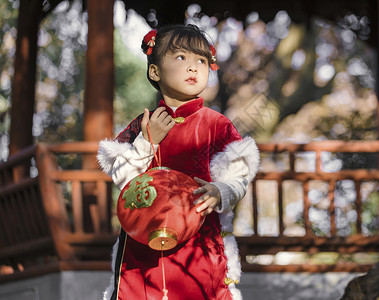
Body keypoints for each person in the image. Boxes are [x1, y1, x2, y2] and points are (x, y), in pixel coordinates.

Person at [97, 24, 259, 300]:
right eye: (181, 58)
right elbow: (124, 180)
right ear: (155, 71)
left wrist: (222, 191)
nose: (194, 67)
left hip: (199, 245)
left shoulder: (216, 124)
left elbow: (239, 176)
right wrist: (149, 141)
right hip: (142, 250)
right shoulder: (142, 126)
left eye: (201, 60)